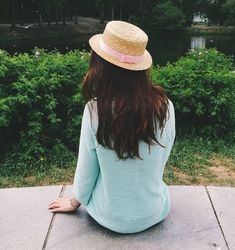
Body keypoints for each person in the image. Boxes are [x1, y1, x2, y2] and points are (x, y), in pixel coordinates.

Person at [48, 20, 176, 234]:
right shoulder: (165, 107)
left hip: (109, 216)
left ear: (100, 64)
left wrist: (73, 202)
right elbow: (161, 158)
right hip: (153, 212)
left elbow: (86, 172)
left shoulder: (94, 111)